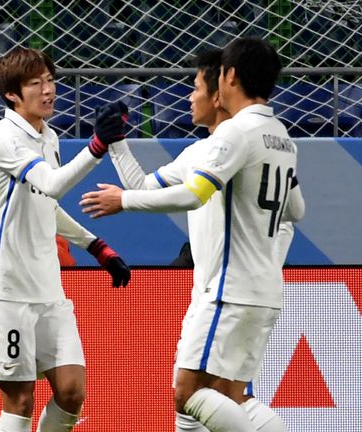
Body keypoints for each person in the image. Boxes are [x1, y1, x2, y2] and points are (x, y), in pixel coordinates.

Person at [80, 38, 305, 432]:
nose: (189, 96)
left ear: (228, 79)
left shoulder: (233, 136)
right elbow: (295, 210)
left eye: (197, 87)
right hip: (262, 290)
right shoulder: (279, 137)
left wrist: (124, 201)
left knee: (186, 394)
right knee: (233, 397)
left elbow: (194, 194)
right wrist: (117, 145)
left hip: (227, 290)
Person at [0, 46, 131, 432]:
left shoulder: (50, 136)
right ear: (12, 94)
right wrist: (97, 147)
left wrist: (97, 247)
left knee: (72, 391)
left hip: (48, 289)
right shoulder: (2, 137)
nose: (48, 90)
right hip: (6, 289)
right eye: (35, 83)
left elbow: (47, 203)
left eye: (50, 80)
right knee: (20, 399)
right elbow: (52, 183)